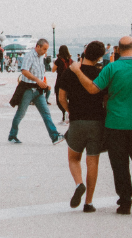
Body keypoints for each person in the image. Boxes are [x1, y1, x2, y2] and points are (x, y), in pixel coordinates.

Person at [68, 36, 132, 215]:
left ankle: (125, 202)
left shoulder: (111, 67)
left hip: (116, 124)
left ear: (117, 50)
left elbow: (92, 89)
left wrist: (78, 71)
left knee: (120, 165)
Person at [58, 41, 106, 213]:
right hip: (97, 121)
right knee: (92, 161)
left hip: (77, 120)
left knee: (74, 158)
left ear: (84, 51)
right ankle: (89, 203)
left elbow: (61, 97)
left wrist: (70, 111)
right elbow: (106, 99)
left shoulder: (69, 72)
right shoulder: (101, 73)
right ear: (100, 57)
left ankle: (79, 184)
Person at [8, 38, 65, 146]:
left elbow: (40, 72)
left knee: (46, 113)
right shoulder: (30, 56)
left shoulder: (40, 57)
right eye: (44, 49)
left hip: (38, 90)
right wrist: (38, 81)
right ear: (37, 47)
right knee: (21, 113)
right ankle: (12, 135)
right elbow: (24, 71)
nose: (45, 51)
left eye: (47, 49)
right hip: (28, 89)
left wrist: (44, 84)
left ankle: (54, 136)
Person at [53, 45, 73, 124]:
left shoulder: (58, 60)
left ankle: (64, 114)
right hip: (69, 81)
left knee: (59, 99)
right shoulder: (71, 60)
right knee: (68, 98)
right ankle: (68, 114)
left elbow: (53, 70)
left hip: (60, 81)